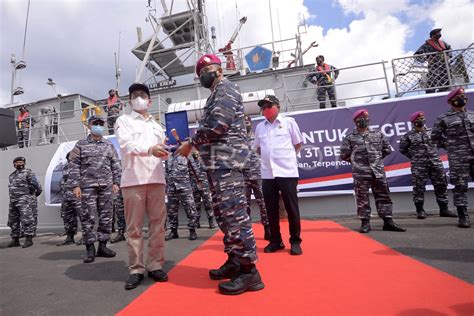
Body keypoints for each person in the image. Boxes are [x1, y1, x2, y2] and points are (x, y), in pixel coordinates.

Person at [176, 54, 264, 295]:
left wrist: (191, 142)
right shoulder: (216, 93)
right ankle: (235, 261)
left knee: (235, 216)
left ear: (219, 69)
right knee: (224, 216)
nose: (205, 73)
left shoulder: (226, 88)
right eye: (201, 70)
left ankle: (249, 272)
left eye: (208, 68)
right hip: (218, 164)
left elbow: (217, 124)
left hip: (228, 163)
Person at [115, 82, 169, 290]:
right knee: (134, 228)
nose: (138, 98)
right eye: (134, 95)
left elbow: (161, 148)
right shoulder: (124, 120)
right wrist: (150, 149)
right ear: (129, 100)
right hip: (133, 180)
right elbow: (126, 144)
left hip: (156, 179)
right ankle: (136, 268)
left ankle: (155, 264)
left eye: (142, 94)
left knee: (158, 226)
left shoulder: (157, 125)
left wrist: (167, 150)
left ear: (149, 100)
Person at [340, 109, 406, 233]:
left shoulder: (378, 134)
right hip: (360, 173)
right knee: (362, 197)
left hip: (378, 171)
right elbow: (344, 154)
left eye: (366, 117)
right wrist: (358, 163)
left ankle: (388, 221)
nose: (365, 120)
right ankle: (365, 223)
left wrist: (376, 160)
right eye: (362, 118)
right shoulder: (350, 137)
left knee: (383, 195)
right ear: (356, 121)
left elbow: (386, 149)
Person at [254, 95, 303, 255]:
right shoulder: (260, 127)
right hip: (268, 174)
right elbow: (258, 149)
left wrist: (284, 158)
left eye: (269, 105)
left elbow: (298, 144)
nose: (266, 109)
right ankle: (276, 241)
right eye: (263, 106)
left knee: (291, 208)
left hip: (287, 172)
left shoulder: (289, 123)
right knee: (271, 210)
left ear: (278, 106)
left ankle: (295, 241)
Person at [69, 115, 122, 263]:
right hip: (87, 187)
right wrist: (75, 185)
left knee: (107, 217)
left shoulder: (109, 145)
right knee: (88, 217)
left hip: (106, 186)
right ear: (89, 125)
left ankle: (103, 246)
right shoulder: (80, 145)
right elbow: (74, 166)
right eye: (95, 123)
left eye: (100, 123)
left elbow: (116, 165)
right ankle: (90, 248)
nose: (98, 126)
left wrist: (116, 183)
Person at [399, 111, 457, 219]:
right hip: (419, 165)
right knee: (418, 187)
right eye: (418, 119)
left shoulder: (432, 132)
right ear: (413, 122)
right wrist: (415, 157)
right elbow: (403, 149)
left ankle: (444, 209)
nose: (421, 121)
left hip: (435, 163)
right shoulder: (408, 136)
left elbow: (443, 143)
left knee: (441, 185)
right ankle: (420, 211)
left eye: (422, 118)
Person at [432, 87, 473, 228]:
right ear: (452, 101)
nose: (463, 98)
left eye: (463, 96)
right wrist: (451, 146)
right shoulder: (443, 118)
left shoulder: (472, 115)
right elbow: (435, 137)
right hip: (458, 158)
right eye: (459, 96)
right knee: (460, 187)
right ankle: (463, 217)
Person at [243, 114, 271, 241]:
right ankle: (247, 232)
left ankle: (267, 229)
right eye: (243, 122)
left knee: (264, 203)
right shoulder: (237, 139)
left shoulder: (258, 137)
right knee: (244, 205)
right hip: (243, 176)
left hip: (259, 174)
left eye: (248, 121)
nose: (246, 123)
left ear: (251, 123)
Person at [164, 153, 199, 241]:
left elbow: (195, 170)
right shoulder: (168, 156)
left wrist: (194, 184)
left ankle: (192, 230)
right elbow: (166, 172)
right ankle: (174, 231)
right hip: (172, 187)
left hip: (185, 186)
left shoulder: (186, 154)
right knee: (172, 211)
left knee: (190, 209)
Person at [7, 157, 40, 248]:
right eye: (17, 162)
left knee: (27, 219)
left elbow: (35, 185)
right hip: (13, 200)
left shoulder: (28, 173)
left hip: (24, 200)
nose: (19, 164)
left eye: (21, 162)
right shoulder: (12, 175)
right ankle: (15, 239)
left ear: (24, 163)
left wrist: (29, 195)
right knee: (13, 220)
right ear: (14, 164)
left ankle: (29, 239)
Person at [414, 28, 452, 94]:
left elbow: (449, 49)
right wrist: (425, 59)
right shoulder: (426, 45)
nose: (439, 36)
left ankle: (442, 93)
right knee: (432, 82)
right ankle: (430, 96)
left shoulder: (443, 43)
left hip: (445, 66)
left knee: (446, 81)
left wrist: (448, 56)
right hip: (434, 67)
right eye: (437, 35)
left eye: (439, 34)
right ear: (432, 36)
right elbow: (416, 55)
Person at [57, 151, 80, 246]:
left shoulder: (81, 167)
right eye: (69, 158)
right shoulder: (65, 168)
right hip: (66, 197)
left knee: (84, 217)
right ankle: (70, 238)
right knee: (68, 218)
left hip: (78, 197)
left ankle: (87, 238)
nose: (70, 159)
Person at [189, 151, 216, 229]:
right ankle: (197, 222)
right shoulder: (189, 160)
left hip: (205, 186)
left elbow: (210, 172)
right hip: (194, 186)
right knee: (196, 206)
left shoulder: (205, 159)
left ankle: (211, 222)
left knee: (208, 205)